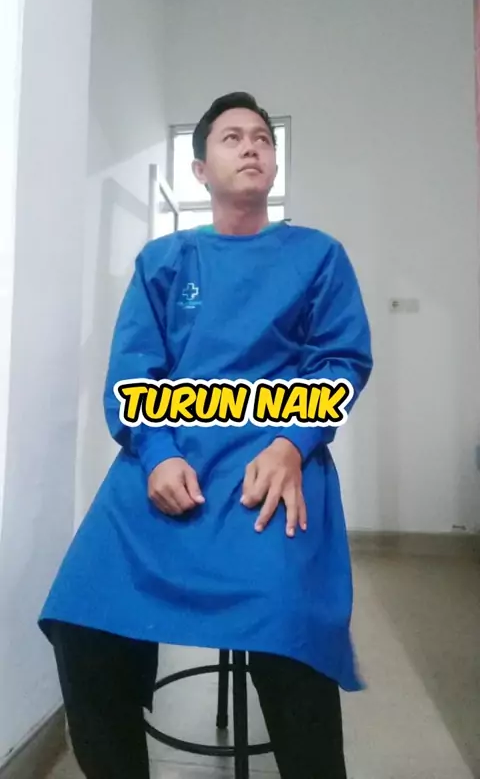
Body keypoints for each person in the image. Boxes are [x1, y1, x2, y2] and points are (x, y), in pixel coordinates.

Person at [38, 92, 373, 779]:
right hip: (168, 460)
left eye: (262, 138)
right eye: (232, 137)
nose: (251, 146)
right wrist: (158, 454)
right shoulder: (165, 260)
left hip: (272, 463)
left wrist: (291, 445)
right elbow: (134, 371)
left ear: (274, 162)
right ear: (199, 170)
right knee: (82, 616)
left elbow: (340, 360)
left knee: (288, 629)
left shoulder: (317, 255)